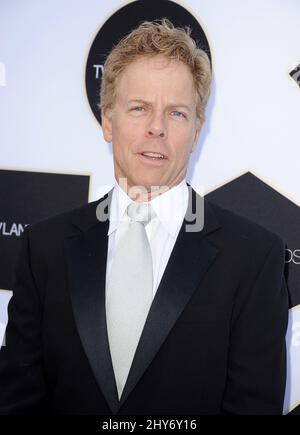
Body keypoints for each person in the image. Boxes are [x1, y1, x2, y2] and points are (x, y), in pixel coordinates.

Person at [0, 19, 288, 415]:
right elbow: (18, 400)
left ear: (197, 130)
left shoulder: (254, 258)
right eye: (139, 108)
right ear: (107, 120)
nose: (157, 128)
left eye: (176, 114)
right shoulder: (43, 249)